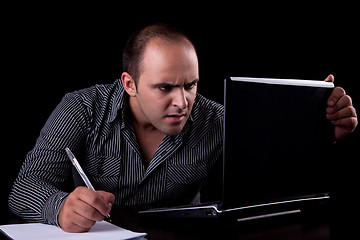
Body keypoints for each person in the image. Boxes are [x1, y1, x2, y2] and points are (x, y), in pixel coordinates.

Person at [9, 23, 358, 233]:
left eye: (190, 85)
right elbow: (24, 186)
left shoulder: (217, 120)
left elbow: (276, 177)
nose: (182, 102)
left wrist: (321, 133)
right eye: (165, 88)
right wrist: (59, 208)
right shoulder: (82, 108)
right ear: (129, 84)